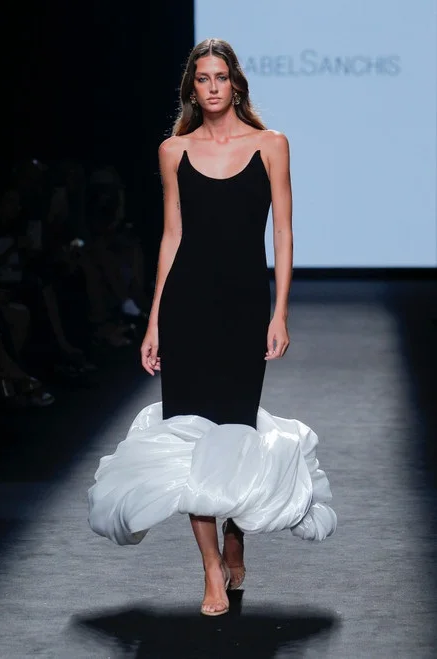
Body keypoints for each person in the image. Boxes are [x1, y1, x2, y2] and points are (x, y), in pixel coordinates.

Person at [88, 38, 337, 617]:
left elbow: (283, 232)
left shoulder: (271, 145)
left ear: (236, 84)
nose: (213, 87)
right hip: (187, 308)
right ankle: (209, 568)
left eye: (221, 77)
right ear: (192, 89)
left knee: (234, 431)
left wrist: (280, 311)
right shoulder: (172, 150)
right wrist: (154, 319)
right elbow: (171, 236)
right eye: (203, 78)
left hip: (244, 307)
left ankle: (236, 532)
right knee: (188, 436)